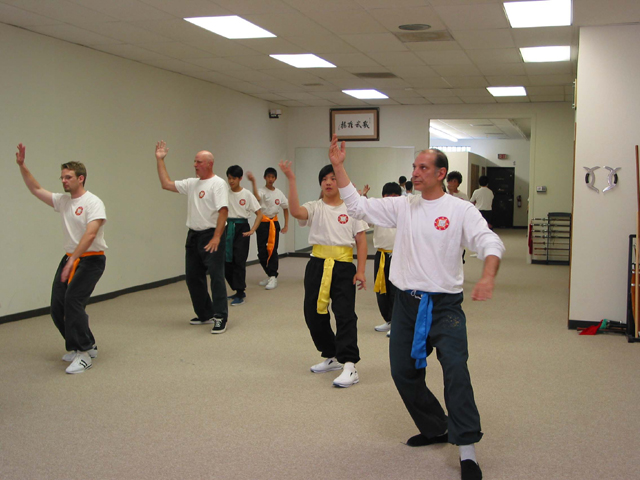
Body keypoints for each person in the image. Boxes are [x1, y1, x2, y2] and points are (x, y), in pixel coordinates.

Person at [329, 134, 505, 480]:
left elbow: (488, 240)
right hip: (406, 305)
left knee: (456, 372)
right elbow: (359, 207)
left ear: (442, 174)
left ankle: (467, 450)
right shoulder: (403, 205)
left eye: (423, 167)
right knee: (403, 372)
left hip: (445, 307)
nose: (416, 172)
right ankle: (435, 427)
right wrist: (338, 165)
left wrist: (488, 275)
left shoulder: (460, 210)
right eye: (414, 167)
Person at [16, 144, 107, 374]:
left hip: (91, 260)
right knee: (57, 306)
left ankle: (84, 352)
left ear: (81, 178)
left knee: (73, 302)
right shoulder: (63, 201)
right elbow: (36, 189)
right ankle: (86, 344)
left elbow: (91, 234)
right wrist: (22, 165)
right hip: (70, 258)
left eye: (68, 177)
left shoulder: (93, 202)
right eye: (62, 177)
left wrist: (72, 260)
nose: (63, 181)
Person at [279, 160, 368, 388]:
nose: (328, 182)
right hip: (317, 264)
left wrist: (360, 271)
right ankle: (332, 354)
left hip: (343, 265)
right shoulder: (315, 206)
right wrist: (291, 179)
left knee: (345, 314)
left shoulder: (352, 208)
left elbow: (361, 240)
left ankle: (349, 364)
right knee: (312, 312)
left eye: (333, 178)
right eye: (324, 179)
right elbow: (297, 211)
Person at [155, 141, 229, 334]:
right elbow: (166, 184)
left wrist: (217, 237)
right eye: (194, 162)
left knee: (216, 277)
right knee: (193, 277)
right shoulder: (192, 183)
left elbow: (223, 212)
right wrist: (160, 160)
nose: (195, 165)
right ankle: (205, 313)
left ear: (209, 164)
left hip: (212, 234)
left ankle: (220, 316)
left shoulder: (218, 184)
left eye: (198, 162)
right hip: (193, 235)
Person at [225, 165, 263, 306]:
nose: (231, 181)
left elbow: (259, 213)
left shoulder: (246, 194)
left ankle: (240, 292)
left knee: (239, 260)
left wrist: (253, 229)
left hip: (242, 228)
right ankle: (236, 288)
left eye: (233, 178)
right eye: (229, 178)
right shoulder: (224, 193)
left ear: (240, 179)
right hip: (227, 228)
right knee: (226, 261)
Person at [248, 168, 289, 290]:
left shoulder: (279, 193)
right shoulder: (262, 191)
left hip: (274, 223)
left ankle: (273, 275)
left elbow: (286, 208)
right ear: (265, 177)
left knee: (273, 249)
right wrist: (253, 182)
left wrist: (286, 225)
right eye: (268, 177)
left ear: (275, 178)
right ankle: (270, 274)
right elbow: (256, 196)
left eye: (273, 177)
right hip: (262, 223)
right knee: (262, 251)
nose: (270, 179)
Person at [373, 182, 402, 336]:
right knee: (381, 290)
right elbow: (364, 218)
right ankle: (389, 320)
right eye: (388, 195)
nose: (391, 198)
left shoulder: (405, 212)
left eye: (395, 195)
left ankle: (398, 323)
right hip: (381, 255)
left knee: (395, 291)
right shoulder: (377, 211)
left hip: (399, 255)